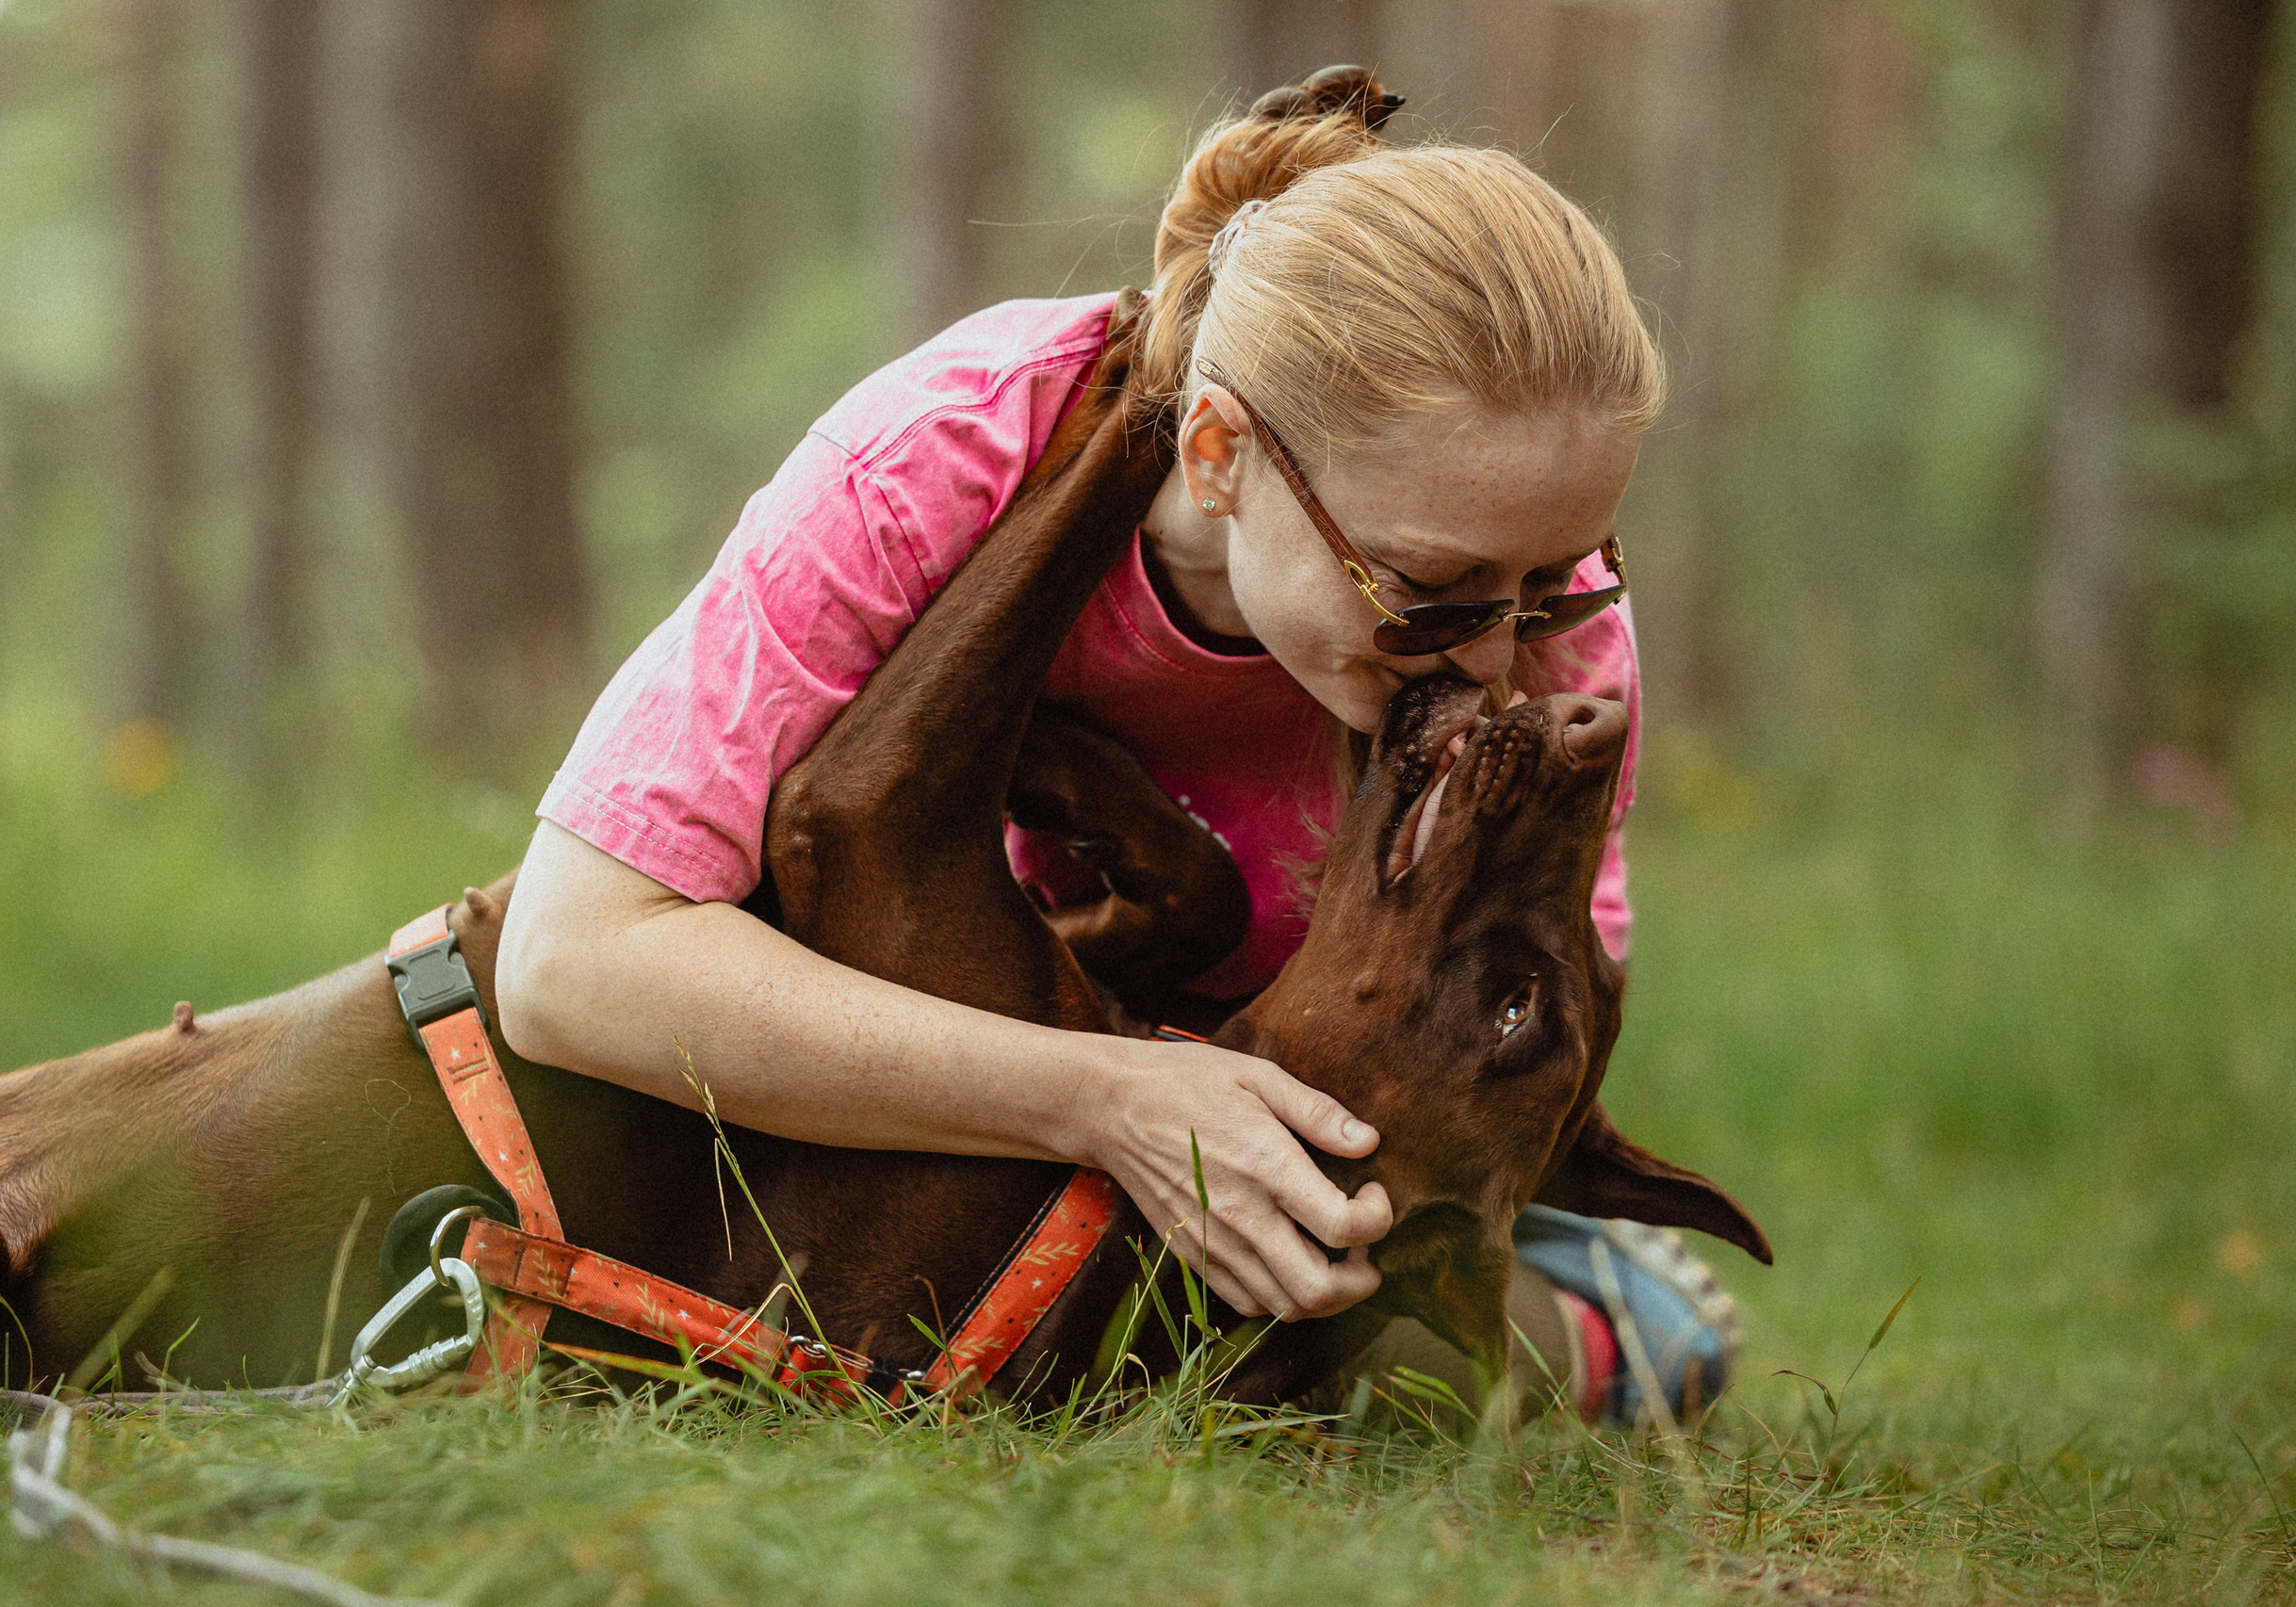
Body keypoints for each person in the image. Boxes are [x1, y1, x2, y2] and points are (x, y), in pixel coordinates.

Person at [497, 70, 1732, 1423]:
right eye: (1432, 594)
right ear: (1217, 455)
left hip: (1291, 1153)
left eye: (1557, 578)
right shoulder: (950, 455)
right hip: (929, 1065)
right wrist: (1110, 1097)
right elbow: (571, 960)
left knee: (1395, 1379)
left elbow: (1501, 1063)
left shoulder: (1541, 624)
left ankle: (1600, 1312)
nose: (1502, 660)